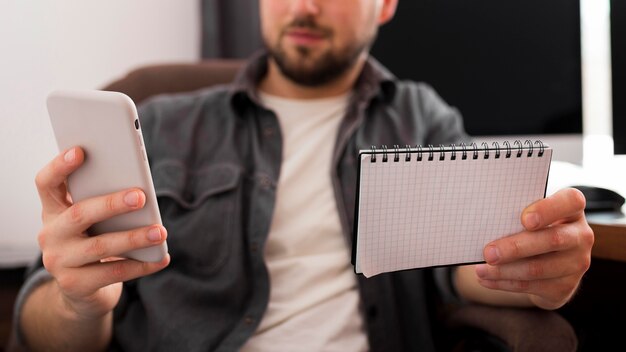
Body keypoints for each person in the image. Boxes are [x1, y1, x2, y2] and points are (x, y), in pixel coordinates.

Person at [16, 0, 593, 351]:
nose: (305, 8)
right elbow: (44, 328)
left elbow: (460, 269)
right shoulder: (161, 122)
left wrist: (525, 266)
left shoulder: (422, 116)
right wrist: (79, 304)